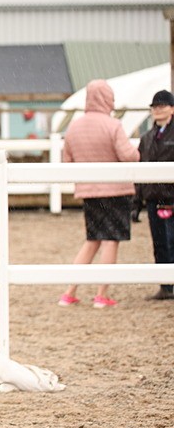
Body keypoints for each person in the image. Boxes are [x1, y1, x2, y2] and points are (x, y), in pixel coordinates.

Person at [58, 79, 139, 309]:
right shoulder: (112, 125)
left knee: (92, 240)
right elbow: (129, 156)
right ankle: (102, 294)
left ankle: (69, 291)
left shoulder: (75, 127)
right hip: (115, 191)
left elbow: (68, 159)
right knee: (110, 240)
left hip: (89, 191)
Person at [136, 89, 174, 300]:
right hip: (153, 197)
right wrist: (137, 200)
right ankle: (166, 286)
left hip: (172, 197)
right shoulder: (147, 138)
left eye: (162, 106)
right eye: (155, 107)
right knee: (159, 242)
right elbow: (141, 169)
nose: (158, 110)